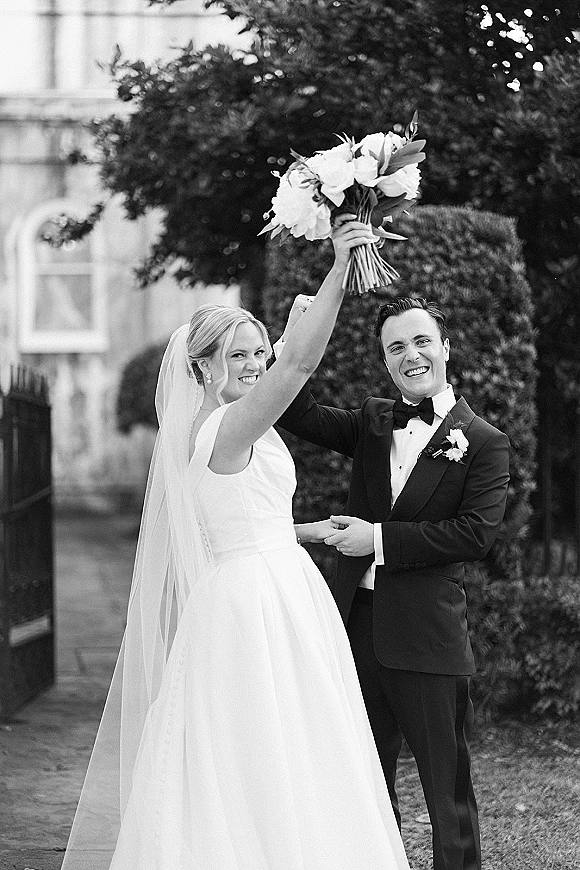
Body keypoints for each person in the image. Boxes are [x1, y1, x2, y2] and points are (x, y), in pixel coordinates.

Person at [60, 216, 411, 870]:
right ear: (203, 366)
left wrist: (306, 530)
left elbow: (237, 514)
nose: (255, 365)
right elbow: (300, 362)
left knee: (293, 738)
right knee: (259, 743)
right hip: (254, 605)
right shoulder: (228, 426)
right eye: (238, 355)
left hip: (272, 579)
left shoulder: (221, 427)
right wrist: (339, 267)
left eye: (257, 352)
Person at [277, 296, 510, 870]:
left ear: (446, 347)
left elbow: (473, 536)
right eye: (396, 347)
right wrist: (292, 336)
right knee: (363, 786)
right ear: (385, 362)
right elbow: (296, 412)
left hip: (428, 641)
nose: (411, 355)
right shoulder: (374, 422)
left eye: (421, 341)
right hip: (355, 634)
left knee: (446, 795)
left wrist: (376, 540)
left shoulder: (484, 441)